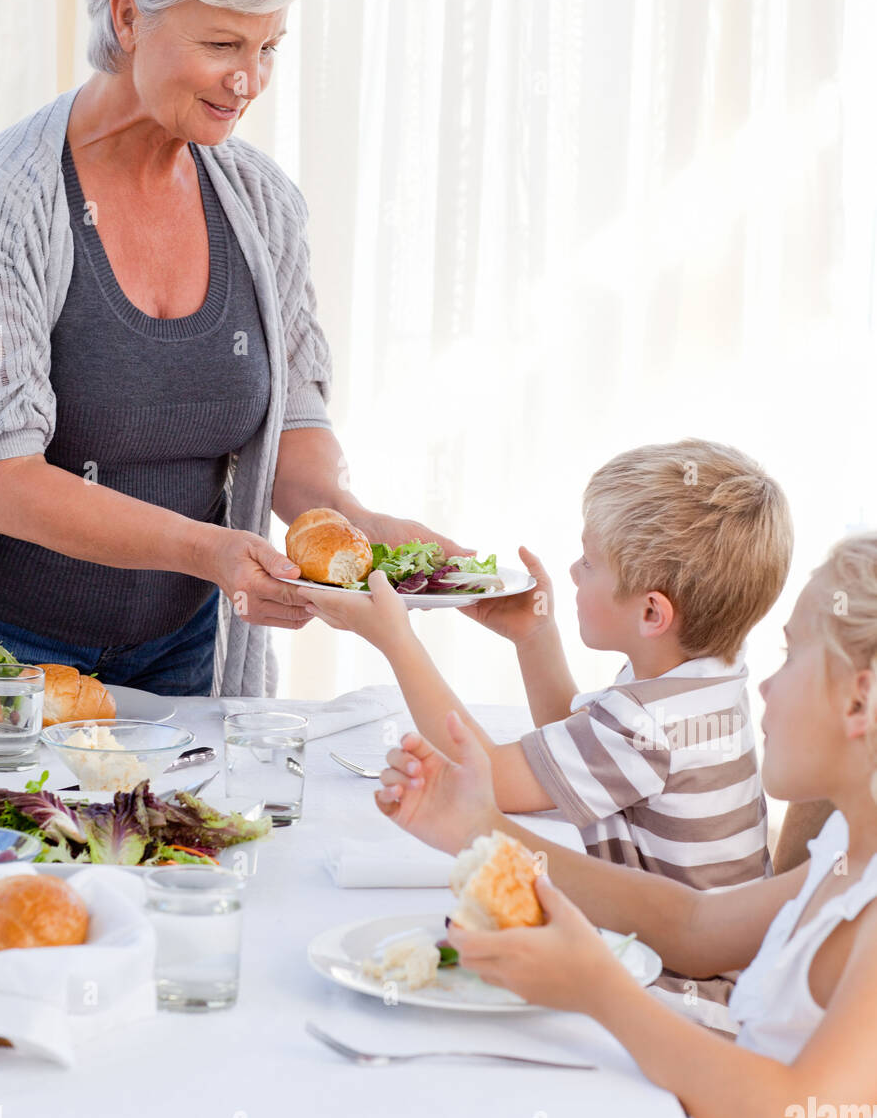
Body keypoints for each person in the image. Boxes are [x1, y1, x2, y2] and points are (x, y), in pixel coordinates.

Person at [0, 0, 467, 696]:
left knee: (210, 830)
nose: (250, 81)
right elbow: (3, 484)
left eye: (268, 47)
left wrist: (369, 531)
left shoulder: (260, 201)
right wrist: (213, 553)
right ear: (127, 16)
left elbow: (294, 431)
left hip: (189, 651)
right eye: (221, 45)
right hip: (0, 656)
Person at [370, 532, 877, 1118]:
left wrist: (598, 989)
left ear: (857, 704)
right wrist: (477, 829)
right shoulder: (847, 851)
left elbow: (792, 1116)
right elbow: (693, 925)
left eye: (791, 657)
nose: (764, 686)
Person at [303, 439, 793, 1030]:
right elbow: (577, 749)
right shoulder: (705, 677)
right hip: (733, 970)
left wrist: (396, 641)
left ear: (652, 614)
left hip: (688, 992)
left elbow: (485, 778)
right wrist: (535, 637)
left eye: (589, 563)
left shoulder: (649, 722)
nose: (571, 571)